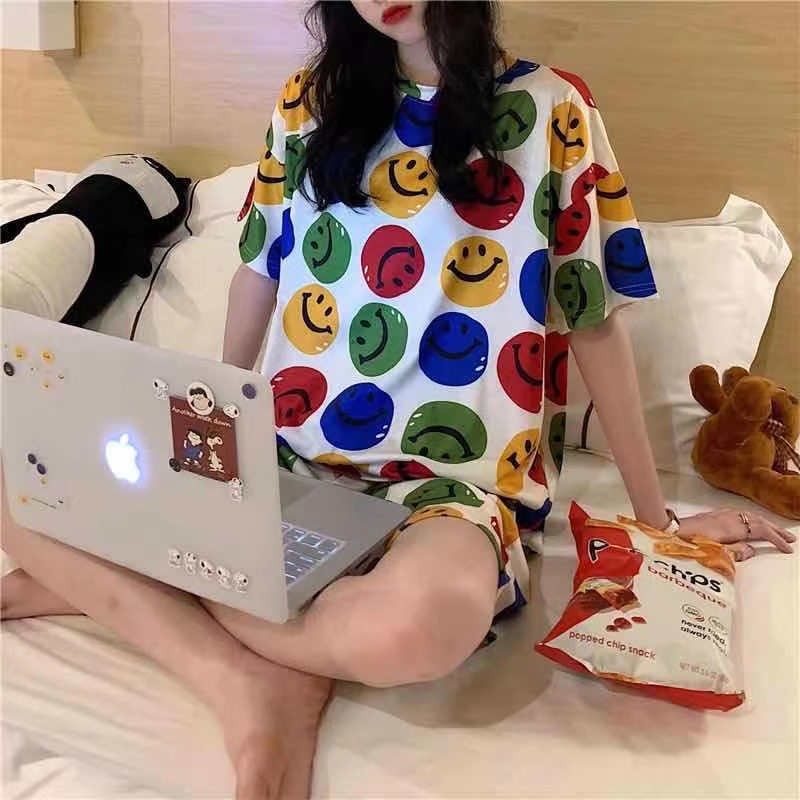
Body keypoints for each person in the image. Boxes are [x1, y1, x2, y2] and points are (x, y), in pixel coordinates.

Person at [1, 2, 795, 798]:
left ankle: (143, 585)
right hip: (284, 457)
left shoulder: (554, 110)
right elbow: (258, 273)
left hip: (452, 490)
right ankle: (242, 675)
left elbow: (593, 321)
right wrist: (215, 426)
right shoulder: (307, 103)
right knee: (19, 474)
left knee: (423, 624)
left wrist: (657, 523)